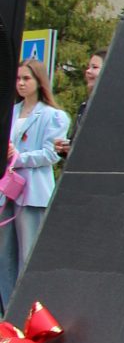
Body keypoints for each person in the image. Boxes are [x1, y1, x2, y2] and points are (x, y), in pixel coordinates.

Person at [0, 59, 69, 301]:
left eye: (26, 78)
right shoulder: (11, 112)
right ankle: (8, 309)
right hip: (6, 191)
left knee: (27, 254)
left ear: (39, 82)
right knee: (3, 255)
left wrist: (18, 157)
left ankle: (26, 307)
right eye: (18, 79)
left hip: (32, 193)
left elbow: (51, 154)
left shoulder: (53, 116)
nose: (20, 83)